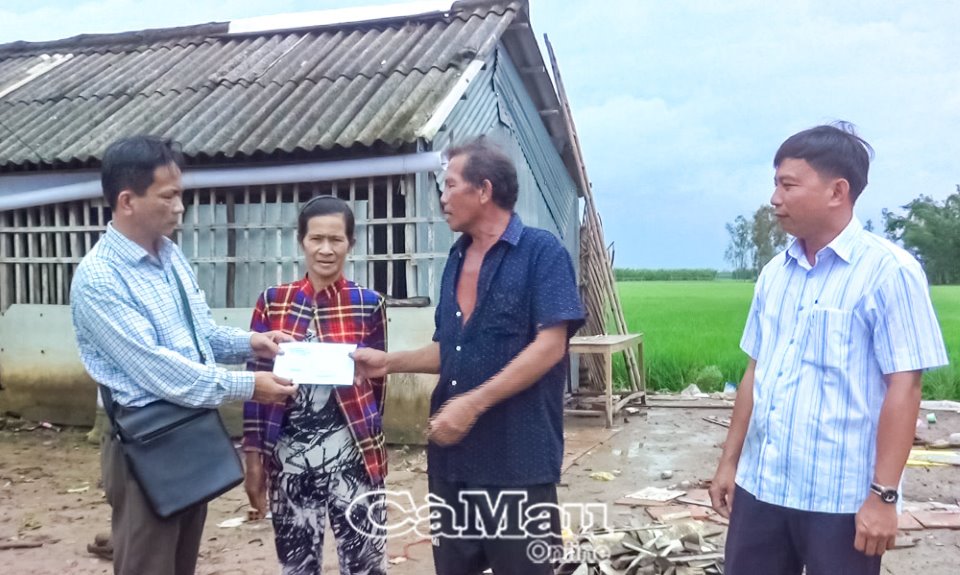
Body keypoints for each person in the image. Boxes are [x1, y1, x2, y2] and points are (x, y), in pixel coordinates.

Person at [708, 123, 949, 575]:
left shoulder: (889, 272)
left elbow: (905, 387)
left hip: (841, 500)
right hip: (762, 487)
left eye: (788, 185)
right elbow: (755, 372)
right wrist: (729, 464)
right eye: (775, 184)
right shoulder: (774, 274)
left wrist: (884, 497)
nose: (775, 199)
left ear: (838, 191)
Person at [353, 138, 585, 575]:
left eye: (450, 185)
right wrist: (389, 363)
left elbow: (551, 346)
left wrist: (473, 404)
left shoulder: (542, 253)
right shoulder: (456, 259)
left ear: (483, 190)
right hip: (452, 461)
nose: (442, 198)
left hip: (516, 461)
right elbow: (453, 348)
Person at [70, 135, 298, 575]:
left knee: (181, 561)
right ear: (127, 200)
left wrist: (252, 342)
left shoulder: (170, 256)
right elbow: (160, 371)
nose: (180, 207)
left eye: (181, 195)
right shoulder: (99, 279)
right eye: (168, 196)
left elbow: (199, 334)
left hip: (189, 430)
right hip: (146, 442)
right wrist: (249, 385)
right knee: (148, 563)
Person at [242, 196, 388, 575]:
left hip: (354, 462)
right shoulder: (272, 302)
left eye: (336, 239)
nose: (326, 249)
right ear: (301, 241)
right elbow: (255, 386)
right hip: (288, 463)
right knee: (297, 566)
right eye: (316, 239)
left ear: (351, 243)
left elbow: (378, 385)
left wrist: (372, 447)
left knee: (366, 565)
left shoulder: (368, 304)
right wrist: (254, 457)